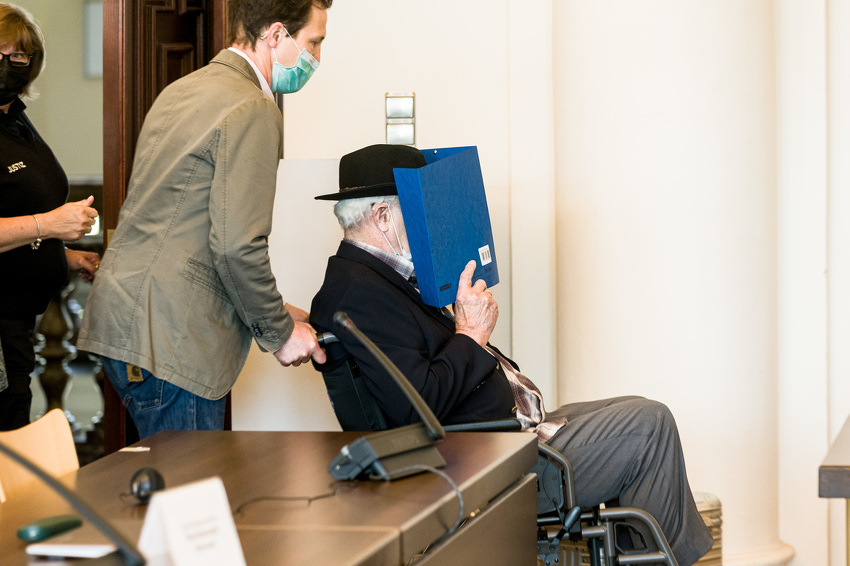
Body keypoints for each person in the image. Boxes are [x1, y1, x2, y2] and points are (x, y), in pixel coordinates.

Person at [310, 144, 714, 566]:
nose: (431, 222)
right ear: (383, 217)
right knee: (651, 425)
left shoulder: (377, 279)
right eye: (421, 208)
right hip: (488, 459)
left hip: (506, 431)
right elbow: (418, 407)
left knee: (635, 408)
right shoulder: (361, 293)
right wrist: (469, 334)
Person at [77, 0, 332, 439]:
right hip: (172, 337)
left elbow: (184, 226)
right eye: (314, 42)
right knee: (188, 499)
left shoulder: (182, 89)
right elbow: (236, 245)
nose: (317, 58)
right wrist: (280, 333)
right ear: (275, 35)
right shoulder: (253, 106)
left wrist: (276, 310)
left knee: (165, 496)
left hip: (123, 318)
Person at [0, 3, 100, 431]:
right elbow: (35, 220)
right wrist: (49, 225)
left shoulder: (16, 122)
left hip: (17, 326)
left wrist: (64, 255)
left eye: (17, 55)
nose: (6, 64)